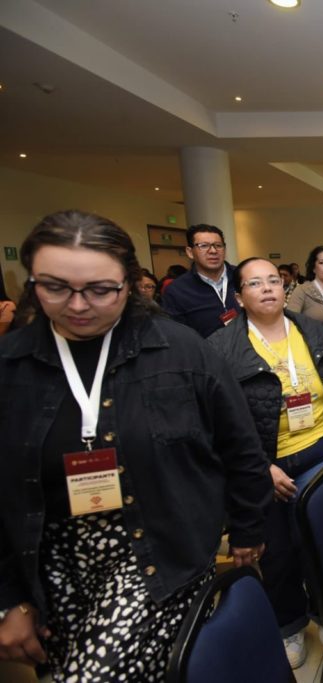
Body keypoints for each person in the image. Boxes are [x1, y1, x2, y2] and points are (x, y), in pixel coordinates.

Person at [0, 210, 270, 680]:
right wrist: (8, 599)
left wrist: (248, 527)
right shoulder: (11, 365)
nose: (78, 305)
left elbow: (240, 445)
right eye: (55, 287)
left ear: (128, 283)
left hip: (163, 548)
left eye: (100, 289)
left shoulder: (181, 350)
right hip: (52, 559)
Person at [208, 256, 323, 668]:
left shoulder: (311, 329)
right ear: (238, 296)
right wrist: (260, 467)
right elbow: (217, 422)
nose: (267, 288)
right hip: (264, 462)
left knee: (321, 540)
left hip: (322, 447)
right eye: (254, 283)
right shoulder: (220, 347)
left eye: (273, 281)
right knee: (278, 552)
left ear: (285, 289)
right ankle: (289, 624)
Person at [160, 224, 242, 337]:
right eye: (204, 246)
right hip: (205, 347)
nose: (213, 251)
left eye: (218, 245)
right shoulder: (177, 291)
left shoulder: (242, 276)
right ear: (190, 252)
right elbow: (177, 336)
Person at [286, 246, 323, 325]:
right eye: (321, 262)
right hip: (312, 333)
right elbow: (290, 322)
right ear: (313, 268)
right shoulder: (302, 290)